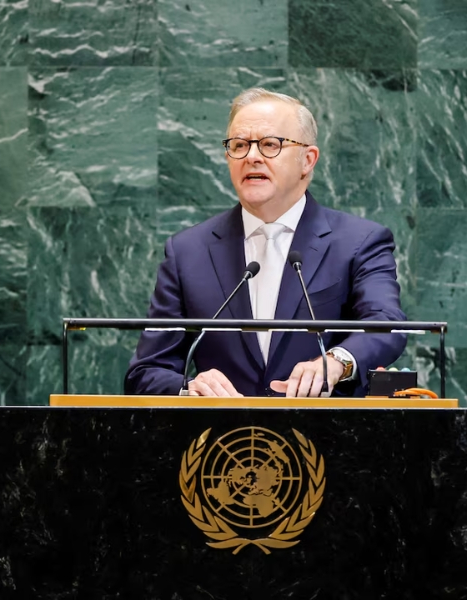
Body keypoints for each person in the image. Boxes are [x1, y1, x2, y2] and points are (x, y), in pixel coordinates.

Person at [124, 88, 406, 397]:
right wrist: (188, 388)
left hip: (324, 425)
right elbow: (146, 372)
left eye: (270, 144)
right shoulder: (188, 252)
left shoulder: (359, 242)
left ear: (307, 160)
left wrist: (336, 361)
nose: (252, 157)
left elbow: (386, 325)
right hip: (222, 428)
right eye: (239, 145)